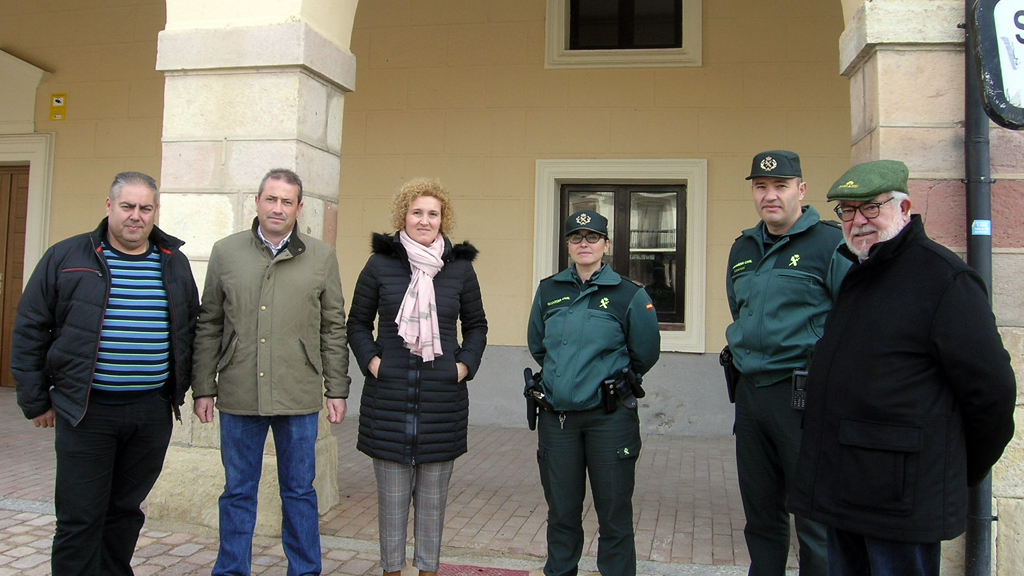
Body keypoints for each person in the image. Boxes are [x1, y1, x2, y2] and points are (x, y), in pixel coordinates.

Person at [789, 160, 1017, 576]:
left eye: (871, 208)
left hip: (901, 497)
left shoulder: (944, 279)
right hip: (846, 488)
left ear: (904, 207)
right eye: (848, 210)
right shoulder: (861, 272)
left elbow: (993, 394)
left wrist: (956, 466)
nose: (858, 221)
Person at [11, 171, 200, 576]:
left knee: (124, 512)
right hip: (87, 411)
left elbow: (190, 329)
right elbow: (30, 327)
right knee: (81, 516)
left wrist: (189, 390)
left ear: (155, 212)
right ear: (109, 206)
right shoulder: (67, 257)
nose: (136, 216)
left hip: (151, 412)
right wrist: (35, 400)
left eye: (145, 208)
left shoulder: (174, 262)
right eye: (128, 206)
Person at [191, 168, 350, 576]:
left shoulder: (321, 256)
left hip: (298, 391)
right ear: (257, 202)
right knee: (238, 491)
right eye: (270, 199)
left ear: (299, 208)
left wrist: (337, 389)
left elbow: (333, 326)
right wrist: (204, 386)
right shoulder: (226, 252)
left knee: (299, 491)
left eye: (287, 201)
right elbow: (209, 322)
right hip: (239, 389)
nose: (277, 208)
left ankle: (304, 570)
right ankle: (231, 570)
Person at [347, 178, 488, 576]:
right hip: (387, 402)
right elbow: (357, 323)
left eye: (433, 213)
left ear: (443, 219)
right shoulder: (380, 265)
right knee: (391, 507)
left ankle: (428, 570)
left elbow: (476, 326)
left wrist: (462, 366)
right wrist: (375, 363)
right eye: (416, 212)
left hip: (442, 404)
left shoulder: (459, 269)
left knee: (432, 507)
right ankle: (392, 570)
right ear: (402, 216)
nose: (424, 220)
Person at [725, 150, 850, 576]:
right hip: (751, 394)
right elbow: (740, 312)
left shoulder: (831, 244)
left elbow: (852, 319)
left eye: (780, 186)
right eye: (761, 187)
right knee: (760, 515)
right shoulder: (743, 248)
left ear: (801, 190)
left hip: (805, 396)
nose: (770, 196)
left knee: (814, 518)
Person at [527, 209, 661, 576]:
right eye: (576, 237)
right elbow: (539, 346)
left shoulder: (629, 295)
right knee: (562, 514)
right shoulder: (549, 290)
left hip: (609, 420)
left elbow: (645, 352)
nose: (583, 244)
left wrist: (606, 382)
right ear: (568, 244)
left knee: (614, 515)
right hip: (559, 421)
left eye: (592, 237)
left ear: (607, 244)